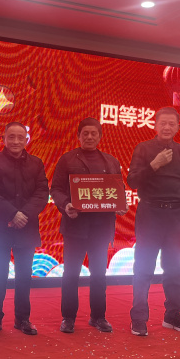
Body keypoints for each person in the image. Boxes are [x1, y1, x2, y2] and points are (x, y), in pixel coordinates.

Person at [127, 106, 180, 336]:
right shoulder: (143, 148)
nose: (167, 127)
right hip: (150, 213)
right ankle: (138, 317)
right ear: (155, 125)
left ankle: (173, 315)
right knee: (144, 267)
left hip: (176, 215)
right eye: (163, 123)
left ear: (177, 127)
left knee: (174, 268)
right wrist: (154, 165)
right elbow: (132, 181)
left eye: (171, 124)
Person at [50, 117, 125, 334]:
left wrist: (119, 205)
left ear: (100, 136)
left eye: (94, 133)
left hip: (101, 227)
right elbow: (56, 189)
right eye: (85, 134)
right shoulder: (67, 159)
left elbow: (117, 190)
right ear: (78, 136)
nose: (90, 137)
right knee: (71, 274)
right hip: (75, 226)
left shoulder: (111, 161)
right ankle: (68, 317)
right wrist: (66, 205)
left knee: (99, 274)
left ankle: (98, 316)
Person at [0, 122, 49, 337]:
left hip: (27, 227)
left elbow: (42, 193)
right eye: (11, 137)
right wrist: (12, 214)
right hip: (1, 227)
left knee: (24, 276)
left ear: (26, 140)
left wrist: (24, 214)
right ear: (4, 139)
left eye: (21, 137)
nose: (16, 141)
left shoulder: (36, 163)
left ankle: (23, 319)